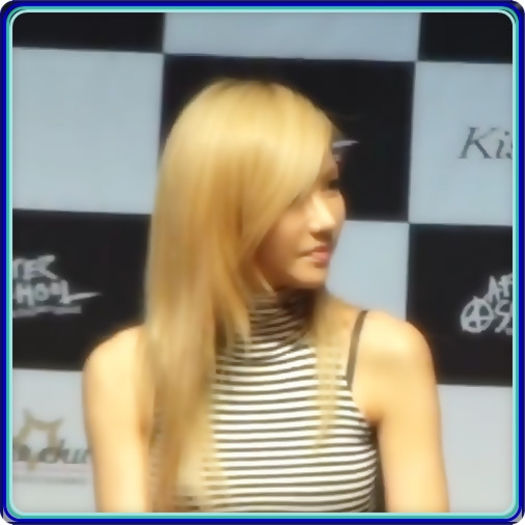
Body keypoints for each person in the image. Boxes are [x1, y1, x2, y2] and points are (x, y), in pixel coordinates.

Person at [82, 78, 449, 513]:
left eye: (330, 185)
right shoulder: (125, 371)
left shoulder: (387, 352)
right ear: (220, 208)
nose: (326, 220)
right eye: (293, 198)